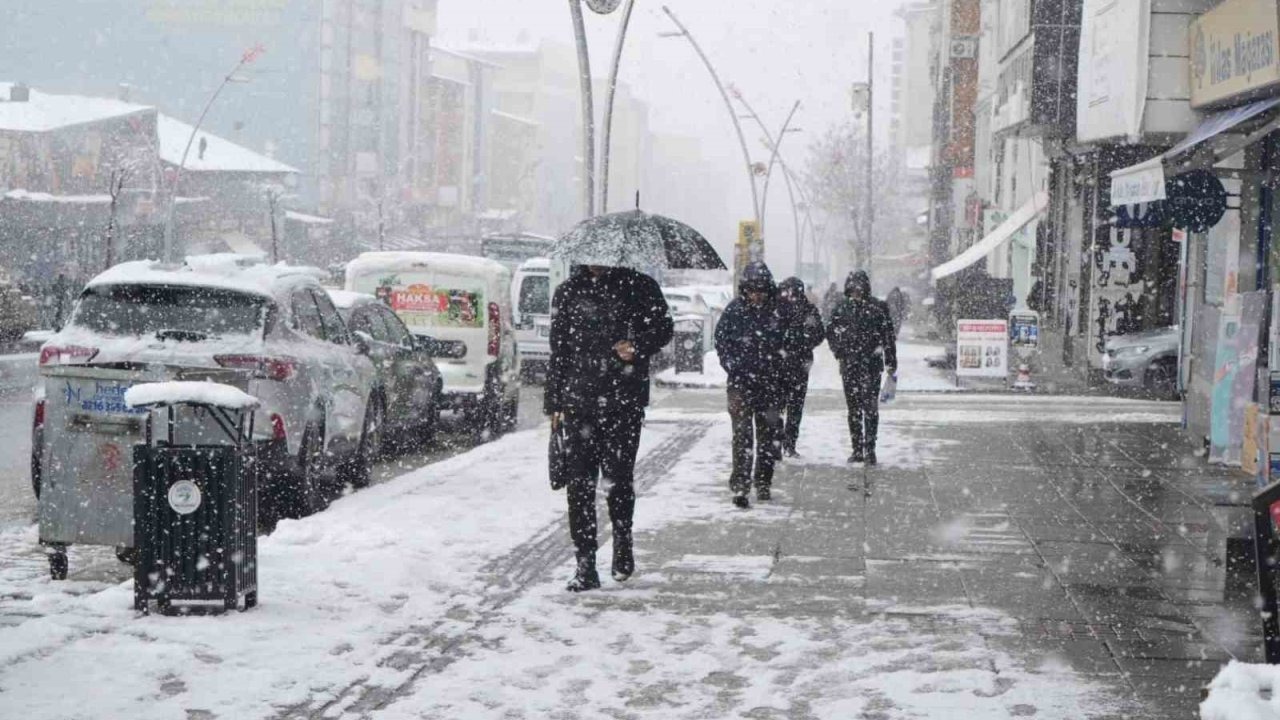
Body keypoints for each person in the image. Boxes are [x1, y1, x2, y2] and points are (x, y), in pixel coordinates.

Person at [545, 264, 674, 592]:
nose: (595, 263)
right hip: (579, 402)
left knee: (618, 480)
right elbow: (559, 350)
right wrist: (554, 403)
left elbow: (664, 328)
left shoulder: (638, 287)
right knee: (579, 485)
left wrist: (637, 346)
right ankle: (585, 563)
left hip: (624, 400)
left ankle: (622, 539)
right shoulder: (569, 292)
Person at [715, 262, 786, 509]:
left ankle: (763, 482)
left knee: (768, 438)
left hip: (770, 386)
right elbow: (721, 341)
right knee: (742, 436)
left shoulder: (777, 312)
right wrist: (733, 365)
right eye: (752, 290)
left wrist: (779, 370)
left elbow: (788, 345)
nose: (756, 295)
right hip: (740, 384)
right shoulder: (734, 311)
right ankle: (742, 485)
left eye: (761, 290)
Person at [827, 270, 897, 466]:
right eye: (853, 288)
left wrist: (891, 361)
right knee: (854, 409)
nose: (856, 292)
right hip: (850, 365)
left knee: (870, 408)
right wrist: (839, 351)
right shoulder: (842, 308)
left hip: (871, 366)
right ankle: (857, 448)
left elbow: (888, 336)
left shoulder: (878, 307)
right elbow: (830, 331)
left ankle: (870, 449)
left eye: (859, 288)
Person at [777, 277, 825, 457]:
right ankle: (782, 442)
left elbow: (819, 334)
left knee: (792, 406)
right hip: (784, 364)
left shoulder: (807, 310)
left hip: (797, 364)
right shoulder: (777, 309)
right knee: (782, 406)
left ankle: (787, 443)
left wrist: (803, 342)